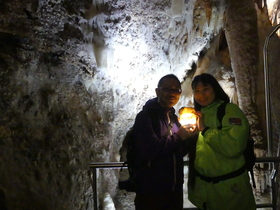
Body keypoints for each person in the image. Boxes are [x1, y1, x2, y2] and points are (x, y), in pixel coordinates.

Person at [187, 73, 256, 210]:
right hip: (205, 190)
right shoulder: (197, 114)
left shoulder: (230, 111)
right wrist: (178, 121)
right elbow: (179, 135)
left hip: (230, 189)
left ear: (215, 89)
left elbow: (233, 147)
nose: (202, 95)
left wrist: (205, 130)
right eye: (197, 91)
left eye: (206, 89)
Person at [132, 74, 198, 210]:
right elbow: (150, 150)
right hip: (151, 193)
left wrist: (191, 135)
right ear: (157, 91)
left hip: (174, 191)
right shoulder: (145, 117)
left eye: (176, 90)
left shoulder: (174, 118)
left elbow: (178, 151)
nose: (172, 93)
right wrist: (178, 137)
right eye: (167, 89)